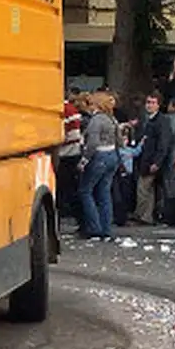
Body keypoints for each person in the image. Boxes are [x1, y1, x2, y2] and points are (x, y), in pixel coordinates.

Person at [77, 91, 119, 240]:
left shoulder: (96, 120)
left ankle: (94, 228)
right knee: (104, 193)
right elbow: (119, 140)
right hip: (112, 156)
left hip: (98, 157)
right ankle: (106, 229)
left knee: (85, 191)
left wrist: (84, 160)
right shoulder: (112, 119)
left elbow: (93, 143)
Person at [133, 92, 172, 225]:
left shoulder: (162, 121)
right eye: (148, 102)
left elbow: (163, 143)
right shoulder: (145, 119)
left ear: (158, 105)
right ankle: (146, 216)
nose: (149, 105)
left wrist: (157, 161)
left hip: (152, 159)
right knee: (147, 190)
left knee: (143, 188)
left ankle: (142, 215)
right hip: (143, 158)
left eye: (153, 103)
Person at [57, 88, 84, 221]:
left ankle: (80, 218)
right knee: (70, 188)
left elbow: (72, 135)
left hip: (66, 153)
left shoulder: (65, 110)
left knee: (67, 188)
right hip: (72, 152)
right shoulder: (71, 109)